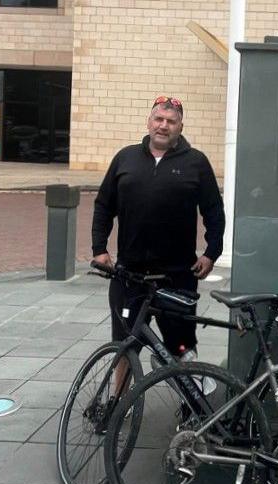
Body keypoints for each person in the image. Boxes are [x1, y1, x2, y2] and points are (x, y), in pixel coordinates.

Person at [91, 95, 224, 396]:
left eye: (171, 121)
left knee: (182, 346)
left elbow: (214, 212)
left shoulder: (196, 163)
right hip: (129, 275)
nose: (163, 126)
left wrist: (211, 252)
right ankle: (118, 403)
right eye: (158, 119)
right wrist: (100, 249)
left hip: (177, 275)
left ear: (180, 127)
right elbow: (103, 206)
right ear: (149, 122)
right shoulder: (125, 158)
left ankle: (192, 405)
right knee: (126, 344)